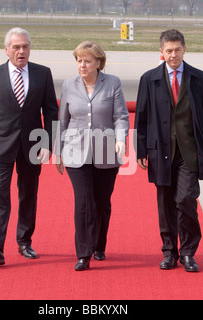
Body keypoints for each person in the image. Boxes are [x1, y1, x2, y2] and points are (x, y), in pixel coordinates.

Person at [0, 28, 58, 265]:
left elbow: (51, 111)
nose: (21, 51)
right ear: (6, 50)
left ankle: (24, 241)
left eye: (25, 47)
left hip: (33, 146)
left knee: (28, 195)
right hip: (0, 145)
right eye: (16, 47)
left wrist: (48, 142)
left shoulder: (42, 74)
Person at [134, 29, 203, 272]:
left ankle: (189, 253)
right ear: (161, 52)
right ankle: (169, 252)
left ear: (185, 49)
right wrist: (141, 149)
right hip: (160, 151)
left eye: (177, 50)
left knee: (185, 199)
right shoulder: (149, 79)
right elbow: (141, 117)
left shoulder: (199, 78)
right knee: (165, 204)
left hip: (189, 152)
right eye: (168, 51)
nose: (173, 55)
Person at [56, 41, 129, 271]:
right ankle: (83, 253)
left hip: (106, 150)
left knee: (101, 203)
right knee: (84, 201)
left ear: (99, 62)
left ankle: (99, 245)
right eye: (79, 60)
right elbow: (63, 120)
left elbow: (121, 116)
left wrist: (120, 139)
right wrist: (58, 151)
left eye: (87, 61)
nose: (82, 65)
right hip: (75, 152)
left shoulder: (112, 83)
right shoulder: (69, 85)